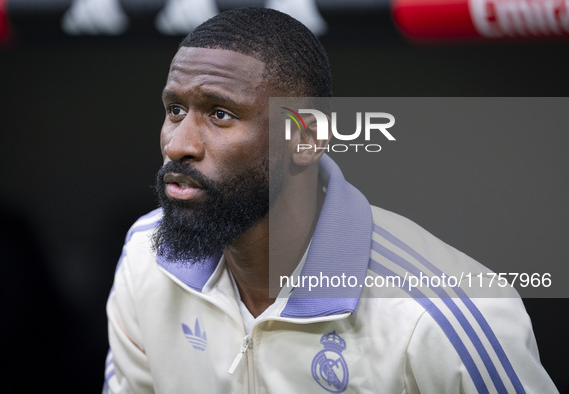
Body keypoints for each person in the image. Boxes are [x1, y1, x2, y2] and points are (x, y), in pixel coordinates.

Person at [104, 7, 557, 393]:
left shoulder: (443, 314)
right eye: (175, 110)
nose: (178, 144)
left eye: (220, 114)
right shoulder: (146, 257)